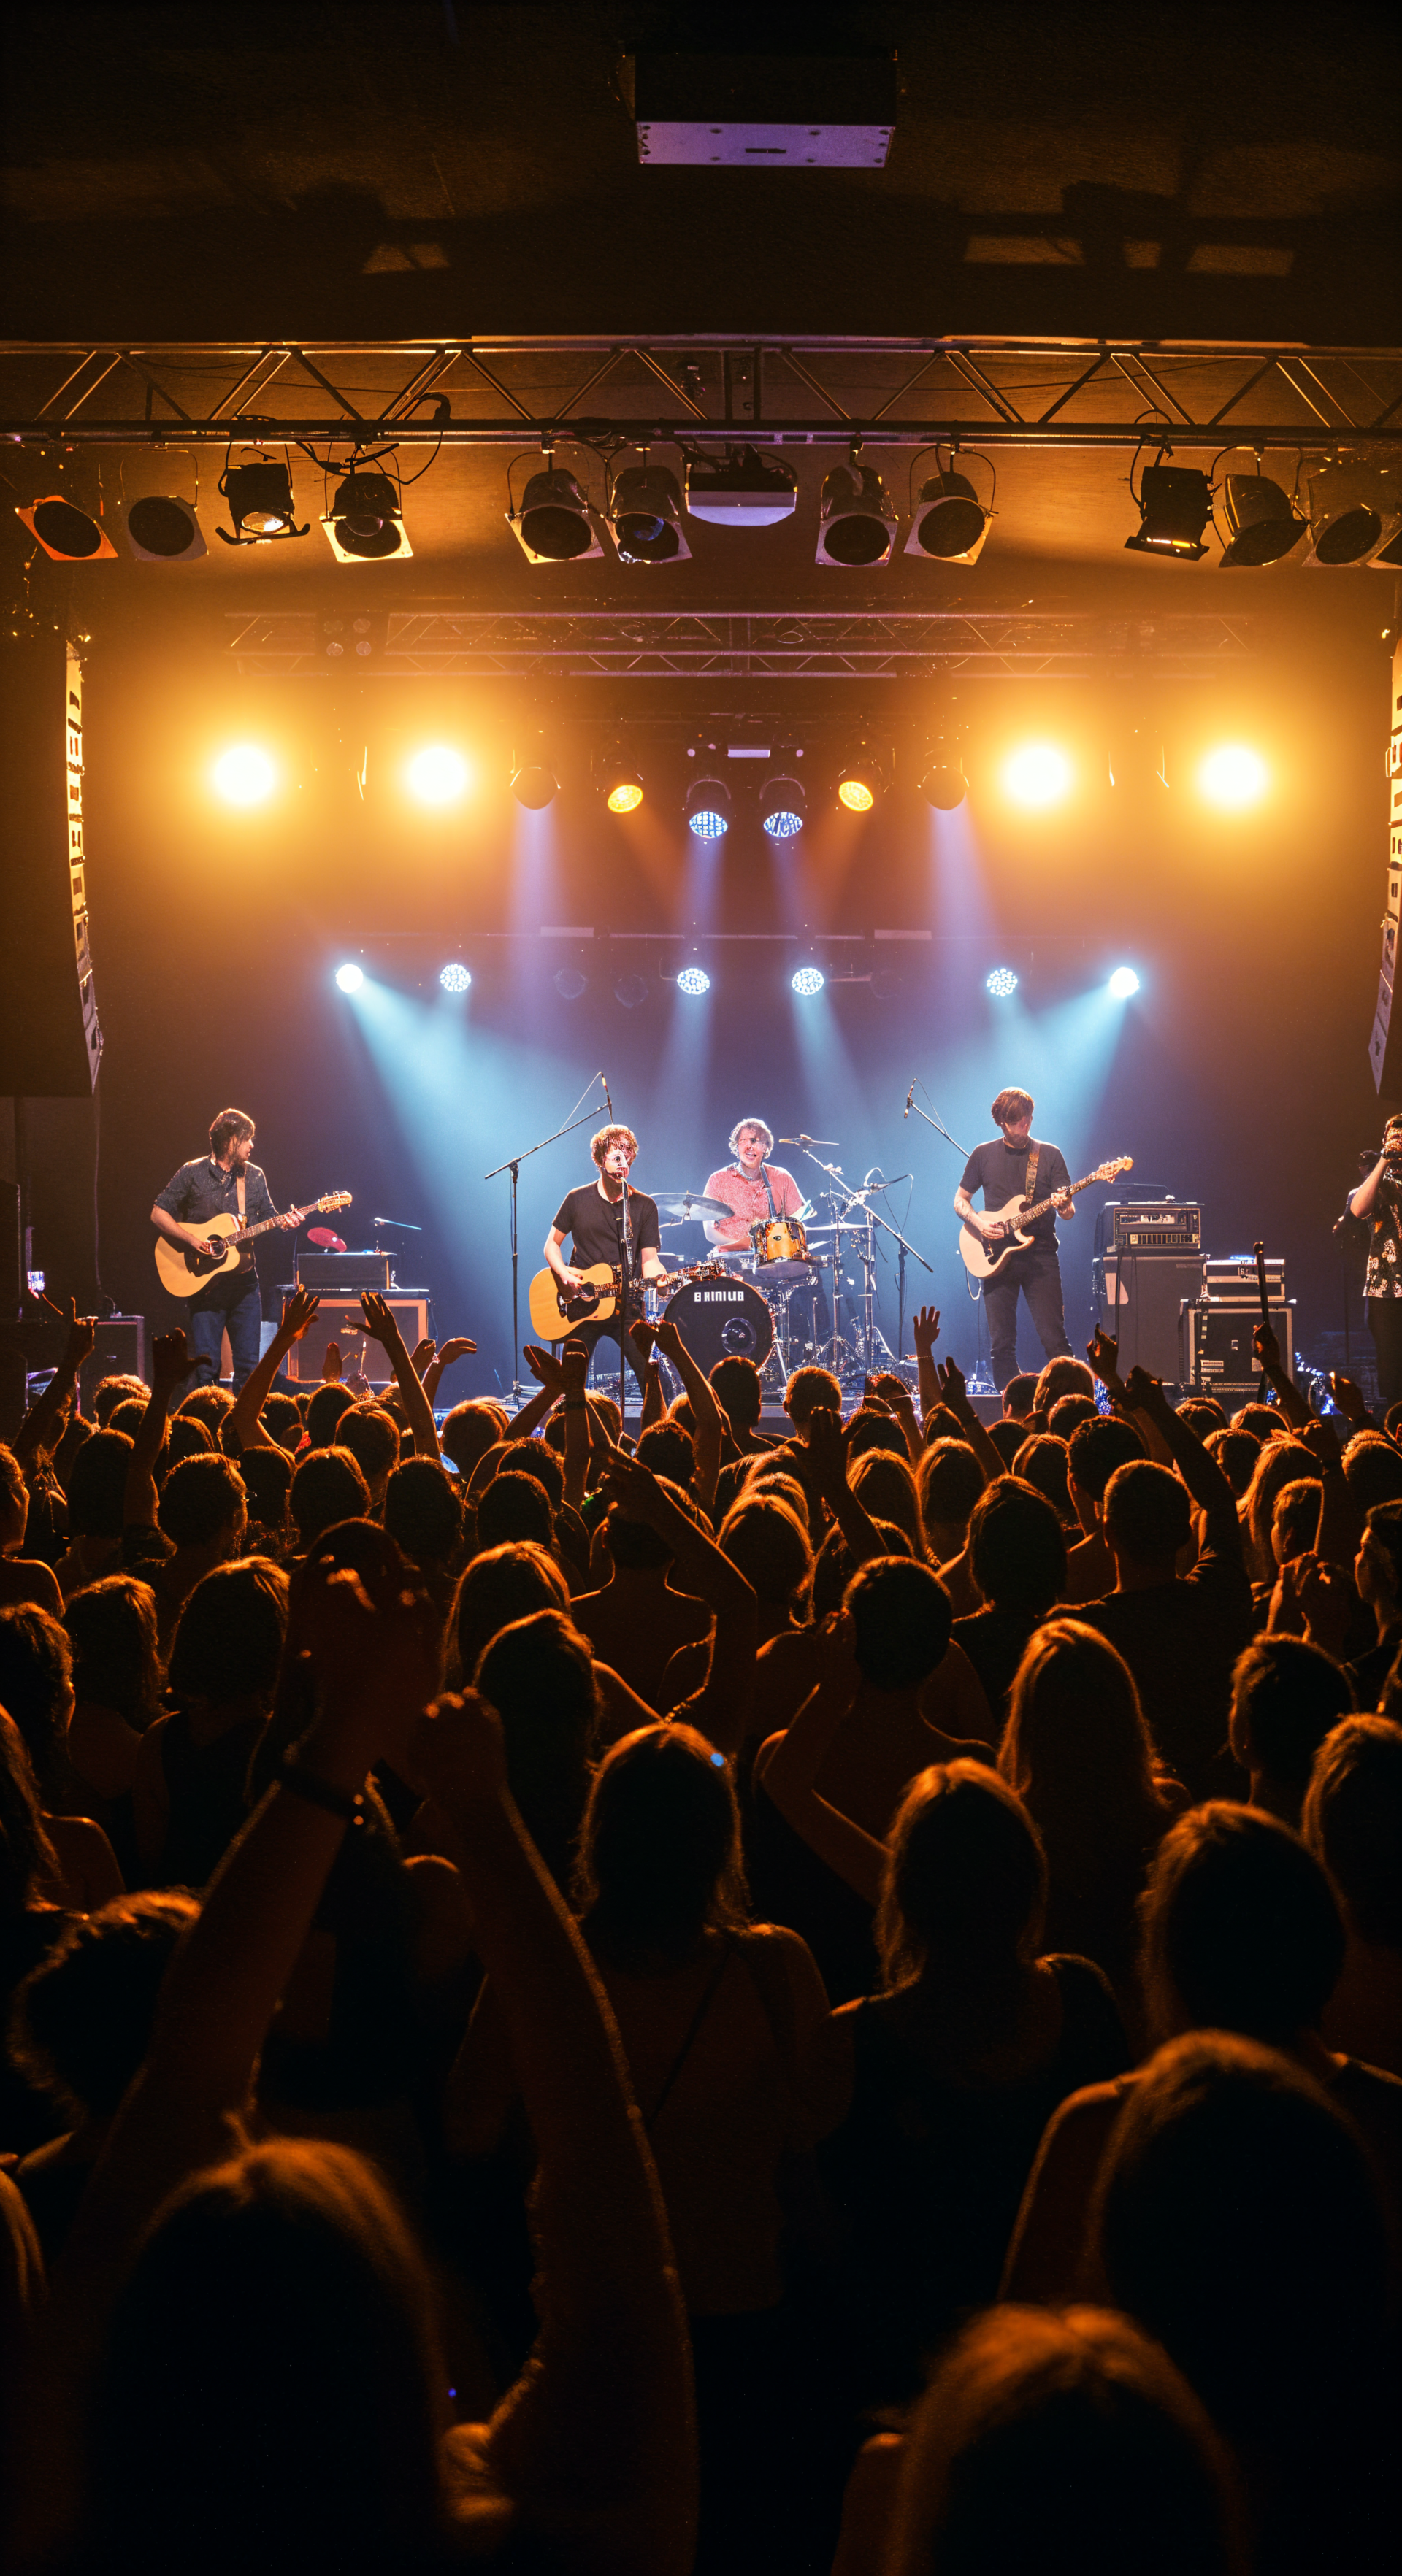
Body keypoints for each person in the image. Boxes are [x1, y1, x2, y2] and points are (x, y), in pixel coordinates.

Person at [150, 1109, 296, 1393]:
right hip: (205, 1288)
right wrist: (192, 1240)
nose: (252, 1145)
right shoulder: (192, 1172)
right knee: (207, 1368)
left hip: (244, 1287)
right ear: (231, 1141)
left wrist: (285, 1223)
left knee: (249, 1367)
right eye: (247, 1139)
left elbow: (269, 1215)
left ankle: (241, 1430)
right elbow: (158, 1213)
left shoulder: (254, 1176)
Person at [954, 1088, 1076, 1391]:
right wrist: (980, 1224)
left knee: (1054, 1339)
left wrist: (1064, 1206)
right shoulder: (983, 1154)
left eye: (1028, 1119)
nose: (1026, 1126)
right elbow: (960, 1200)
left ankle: (1071, 1403)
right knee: (1002, 1344)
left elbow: (1069, 1211)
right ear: (1002, 1123)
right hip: (995, 1257)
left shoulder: (1049, 1154)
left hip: (1041, 1257)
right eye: (1018, 1122)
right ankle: (1013, 1410)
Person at [543, 1123, 671, 1398]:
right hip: (582, 1307)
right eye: (616, 1154)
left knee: (652, 1380)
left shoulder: (644, 1205)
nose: (623, 1160)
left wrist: (660, 1278)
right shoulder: (577, 1199)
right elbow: (551, 1245)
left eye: (628, 1154)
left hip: (627, 1306)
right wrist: (563, 1273)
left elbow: (650, 1259)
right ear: (602, 1159)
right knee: (569, 1384)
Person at [1347, 1114, 1402, 1409]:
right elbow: (1358, 1209)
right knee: (1393, 1373)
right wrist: (1385, 1159)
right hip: (1387, 1290)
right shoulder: (1381, 1183)